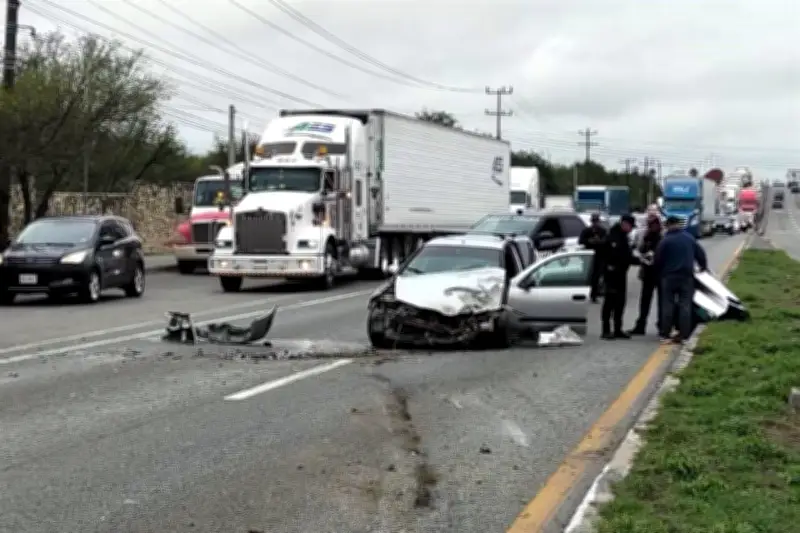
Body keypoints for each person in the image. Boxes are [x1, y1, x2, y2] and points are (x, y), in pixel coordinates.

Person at [654, 216, 708, 344]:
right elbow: (701, 255)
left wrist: (658, 275)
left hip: (669, 277)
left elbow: (657, 260)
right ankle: (684, 335)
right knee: (685, 306)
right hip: (686, 277)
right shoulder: (689, 238)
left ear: (668, 225)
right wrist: (703, 268)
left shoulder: (665, 241)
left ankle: (665, 334)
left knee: (668, 305)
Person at [600, 214, 638, 340]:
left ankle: (617, 329)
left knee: (620, 303)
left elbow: (626, 256)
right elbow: (610, 257)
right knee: (609, 303)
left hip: (621, 275)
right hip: (612, 276)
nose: (632, 229)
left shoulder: (623, 237)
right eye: (631, 226)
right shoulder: (612, 237)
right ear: (624, 224)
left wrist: (639, 260)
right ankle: (605, 330)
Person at [627, 214, 663, 335]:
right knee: (645, 301)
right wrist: (643, 253)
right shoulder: (647, 236)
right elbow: (641, 249)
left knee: (662, 301)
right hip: (648, 272)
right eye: (650, 225)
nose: (651, 227)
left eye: (653, 225)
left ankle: (662, 325)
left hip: (659, 273)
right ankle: (641, 325)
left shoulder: (661, 237)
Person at [579, 213, 608, 302]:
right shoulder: (586, 231)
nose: (595, 223)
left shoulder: (602, 231)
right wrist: (589, 241)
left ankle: (594, 295)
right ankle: (585, 294)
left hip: (599, 256)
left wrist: (599, 241)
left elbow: (606, 241)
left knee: (597, 276)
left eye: (596, 221)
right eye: (594, 221)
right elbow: (580, 241)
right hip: (588, 256)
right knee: (587, 276)